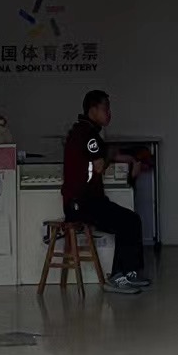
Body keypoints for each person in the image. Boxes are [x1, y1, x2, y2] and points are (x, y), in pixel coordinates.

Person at [62, 88, 150, 295]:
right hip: (81, 203)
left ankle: (130, 273)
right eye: (105, 108)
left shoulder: (89, 132)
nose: (109, 113)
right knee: (126, 222)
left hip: (91, 201)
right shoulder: (87, 134)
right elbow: (100, 165)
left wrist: (132, 159)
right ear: (92, 110)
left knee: (132, 220)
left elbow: (107, 155)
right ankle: (117, 277)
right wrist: (112, 155)